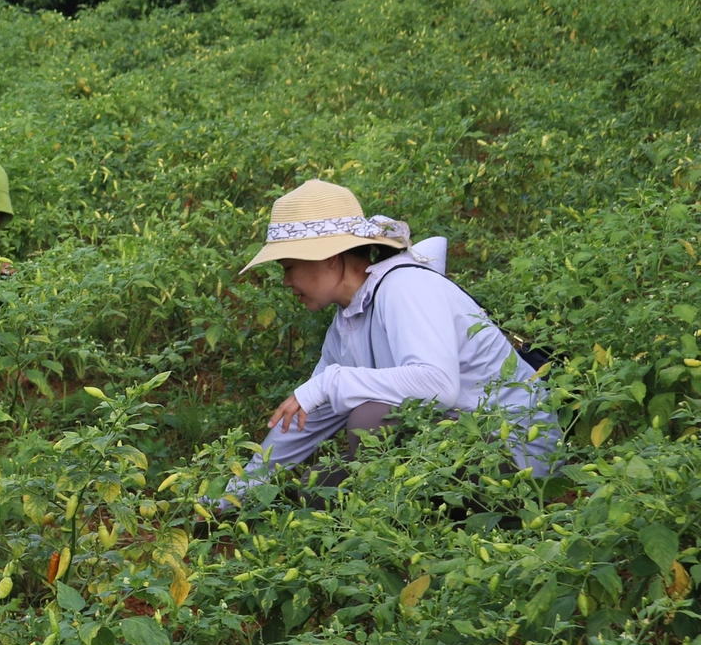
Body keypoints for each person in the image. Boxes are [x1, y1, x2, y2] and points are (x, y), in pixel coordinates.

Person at [234, 180, 554, 494]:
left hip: (518, 453)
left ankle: (443, 527)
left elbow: (438, 385)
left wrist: (330, 382)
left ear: (328, 257)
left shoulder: (405, 287)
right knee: (317, 487)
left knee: (371, 418)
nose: (286, 282)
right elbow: (308, 418)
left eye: (289, 267)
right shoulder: (346, 324)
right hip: (462, 443)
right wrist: (234, 492)